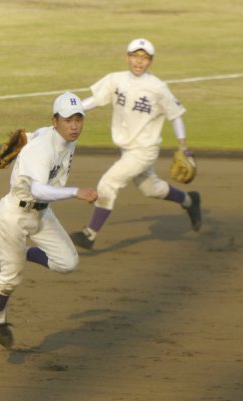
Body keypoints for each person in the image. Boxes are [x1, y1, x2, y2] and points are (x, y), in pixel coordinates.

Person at [0, 91, 98, 349]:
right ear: (55, 120)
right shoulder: (42, 149)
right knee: (10, 279)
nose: (74, 126)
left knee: (67, 262)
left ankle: (24, 253)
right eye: (68, 119)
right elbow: (37, 190)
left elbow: (40, 133)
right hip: (13, 216)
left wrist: (28, 136)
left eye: (78, 119)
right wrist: (75, 192)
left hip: (41, 214)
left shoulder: (63, 138)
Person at [69, 38, 201, 250]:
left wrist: (182, 145)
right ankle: (190, 201)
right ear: (127, 57)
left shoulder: (157, 87)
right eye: (135, 56)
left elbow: (175, 115)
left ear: (151, 61)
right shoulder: (116, 80)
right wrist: (73, 109)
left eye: (144, 58)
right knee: (150, 188)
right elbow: (96, 100)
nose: (139, 62)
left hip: (144, 150)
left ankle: (89, 235)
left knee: (108, 183)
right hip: (127, 148)